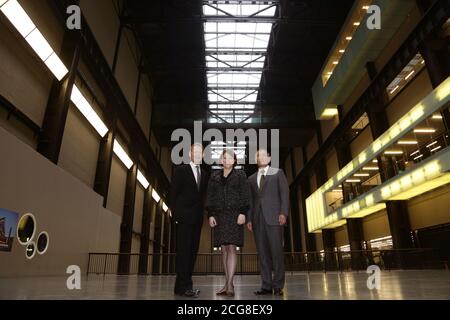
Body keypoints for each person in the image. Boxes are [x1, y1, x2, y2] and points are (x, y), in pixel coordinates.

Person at [206, 149, 250, 297]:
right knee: (224, 249)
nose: (227, 160)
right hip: (219, 216)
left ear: (234, 160)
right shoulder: (214, 176)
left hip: (234, 215)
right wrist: (210, 214)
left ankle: (230, 284)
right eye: (224, 157)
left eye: (230, 157)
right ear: (221, 160)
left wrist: (243, 213)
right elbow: (210, 197)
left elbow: (245, 195)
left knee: (231, 247)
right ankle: (227, 283)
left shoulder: (241, 175)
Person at [247, 149, 289, 296]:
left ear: (269, 157)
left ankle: (278, 285)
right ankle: (266, 285)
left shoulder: (278, 173)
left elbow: (284, 193)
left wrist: (283, 212)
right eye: (258, 155)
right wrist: (249, 219)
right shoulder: (251, 178)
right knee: (263, 254)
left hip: (275, 218)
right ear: (255, 158)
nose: (261, 157)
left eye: (264, 155)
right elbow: (250, 201)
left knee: (276, 252)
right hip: (258, 220)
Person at [169, 143, 208, 298]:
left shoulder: (205, 174)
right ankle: (186, 286)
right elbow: (173, 193)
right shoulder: (181, 170)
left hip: (197, 218)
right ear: (190, 154)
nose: (198, 154)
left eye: (200, 152)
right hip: (184, 217)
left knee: (192, 252)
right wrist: (175, 215)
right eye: (195, 152)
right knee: (183, 251)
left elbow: (203, 197)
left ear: (203, 156)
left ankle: (181, 286)